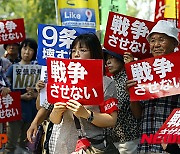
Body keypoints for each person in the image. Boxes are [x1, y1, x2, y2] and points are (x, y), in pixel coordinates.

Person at [49, 33, 118, 154]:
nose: (76, 54)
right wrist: (56, 111)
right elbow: (54, 120)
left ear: (94, 53)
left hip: (91, 148)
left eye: (82, 50)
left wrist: (87, 114)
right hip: (63, 146)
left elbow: (112, 120)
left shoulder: (105, 83)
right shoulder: (63, 80)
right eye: (74, 50)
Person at [126, 20, 180, 153]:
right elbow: (138, 114)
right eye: (153, 40)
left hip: (171, 147)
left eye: (161, 39)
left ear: (174, 43)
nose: (156, 45)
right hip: (146, 146)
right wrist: (132, 94)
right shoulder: (143, 72)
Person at [4, 38, 38, 154]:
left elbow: (41, 93)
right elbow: (5, 90)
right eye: (25, 48)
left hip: (31, 112)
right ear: (21, 49)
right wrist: (21, 97)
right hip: (16, 111)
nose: (27, 52)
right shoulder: (13, 68)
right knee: (11, 143)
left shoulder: (37, 70)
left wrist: (35, 94)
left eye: (31, 49)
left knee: (24, 144)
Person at [103, 49, 140, 154]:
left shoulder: (130, 79)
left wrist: (131, 66)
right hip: (112, 140)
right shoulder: (110, 82)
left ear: (122, 59)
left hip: (129, 140)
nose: (108, 62)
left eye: (112, 58)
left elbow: (138, 112)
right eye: (107, 59)